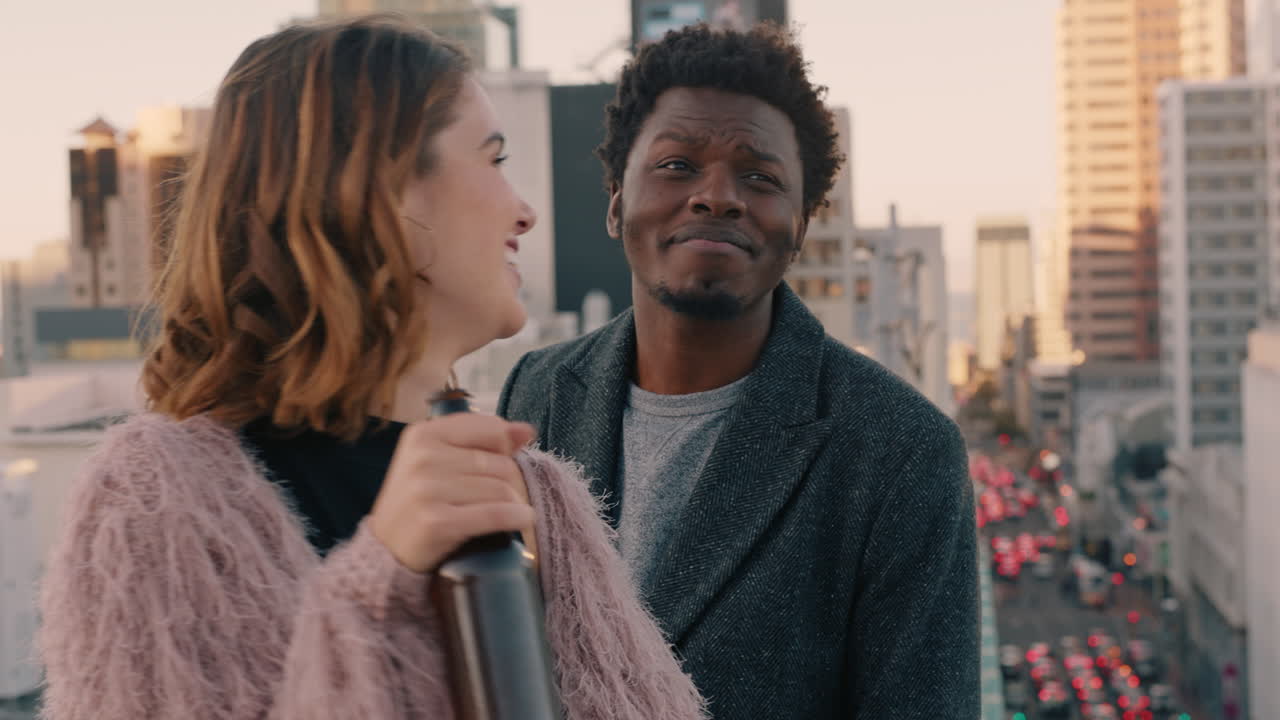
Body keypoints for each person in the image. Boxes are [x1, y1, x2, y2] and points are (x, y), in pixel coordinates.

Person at [36, 15, 705, 720]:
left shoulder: (536, 494)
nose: (526, 212)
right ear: (380, 194)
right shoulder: (153, 497)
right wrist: (380, 580)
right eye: (494, 159)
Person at [498, 23, 980, 719]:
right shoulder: (534, 394)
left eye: (761, 177)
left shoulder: (901, 452)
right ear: (614, 200)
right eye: (677, 166)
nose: (718, 196)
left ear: (802, 227)